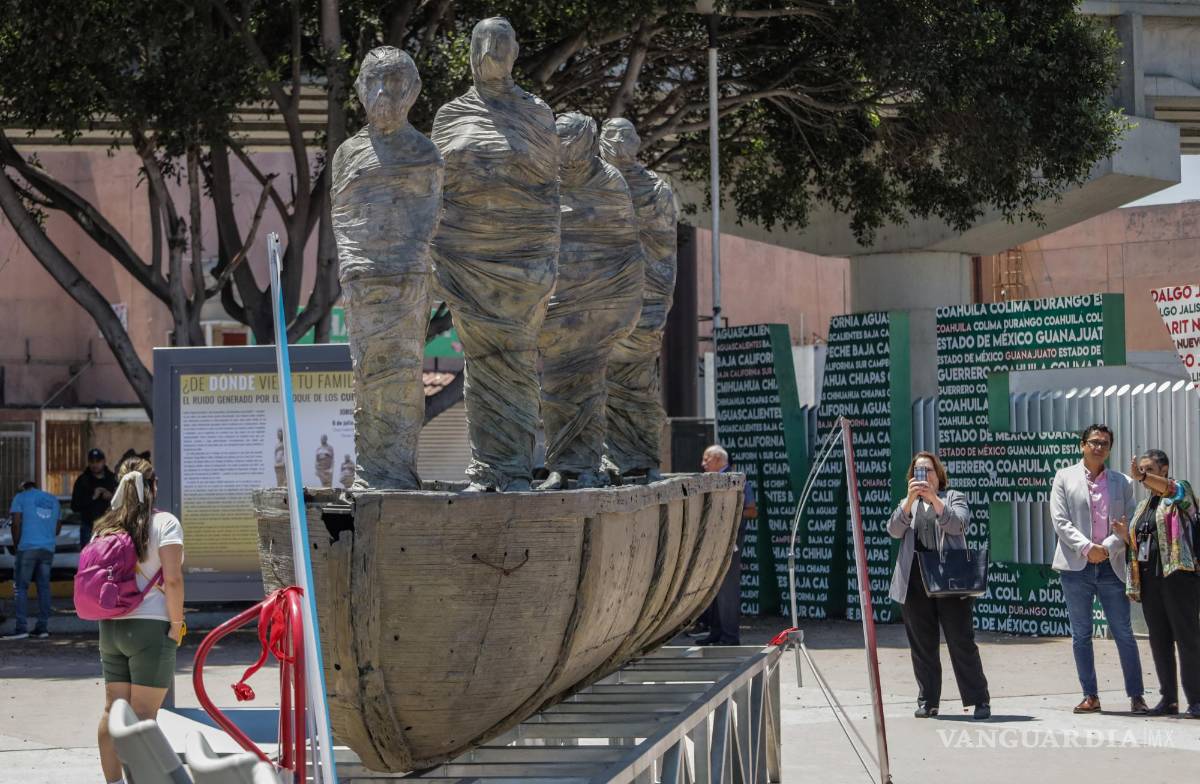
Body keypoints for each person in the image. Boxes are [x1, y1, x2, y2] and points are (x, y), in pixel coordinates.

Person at [93, 457, 185, 784]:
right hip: (150, 628)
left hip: (111, 626)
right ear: (154, 486)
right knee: (145, 717)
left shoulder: (105, 526)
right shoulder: (165, 524)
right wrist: (176, 625)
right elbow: (172, 580)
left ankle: (114, 782)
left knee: (113, 710)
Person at [1049, 424, 1146, 714]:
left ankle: (1137, 696)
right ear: (1082, 445)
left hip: (1111, 565)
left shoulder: (1122, 482)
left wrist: (1106, 547)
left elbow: (1130, 521)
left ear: (1110, 448)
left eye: (1104, 443)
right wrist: (1086, 548)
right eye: (1093, 442)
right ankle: (1090, 695)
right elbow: (1060, 520)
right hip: (1076, 567)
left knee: (1123, 633)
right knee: (1081, 634)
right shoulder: (1064, 477)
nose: (1099, 447)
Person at [888, 451, 991, 720]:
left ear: (939, 474)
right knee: (922, 644)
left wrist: (933, 499)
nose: (924, 476)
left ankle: (979, 699)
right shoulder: (906, 503)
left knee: (961, 640)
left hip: (950, 578)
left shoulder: (953, 497)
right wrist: (910, 501)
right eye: (919, 471)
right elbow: (894, 531)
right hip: (914, 579)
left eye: (929, 470)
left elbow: (957, 525)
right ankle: (928, 700)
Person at [1112, 449, 1200, 718]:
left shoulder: (1180, 492)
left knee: (1188, 640)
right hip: (1150, 581)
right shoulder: (1143, 506)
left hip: (1178, 577)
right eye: (1141, 470)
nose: (1143, 475)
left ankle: (1196, 699)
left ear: (1164, 470)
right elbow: (1143, 544)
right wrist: (1126, 536)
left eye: (1149, 470)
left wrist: (1142, 477)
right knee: (1159, 641)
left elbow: (1173, 490)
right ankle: (1168, 699)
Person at [697, 445, 757, 646]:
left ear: (718, 460)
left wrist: (726, 516)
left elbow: (751, 511)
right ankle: (716, 633)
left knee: (727, 591)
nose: (703, 464)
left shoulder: (736, 480)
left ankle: (730, 637)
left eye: (707, 459)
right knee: (712, 589)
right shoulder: (709, 481)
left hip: (730, 543)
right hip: (712, 542)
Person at [3, 481, 60, 640]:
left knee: (21, 587)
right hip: (47, 549)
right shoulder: (52, 500)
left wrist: (17, 546)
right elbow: (57, 528)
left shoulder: (20, 497)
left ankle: (21, 627)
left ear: (23, 488)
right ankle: (42, 628)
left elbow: (16, 524)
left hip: (27, 547)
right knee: (44, 587)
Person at [71, 448, 117, 546]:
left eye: (98, 461)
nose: (95, 465)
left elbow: (123, 501)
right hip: (88, 526)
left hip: (108, 527)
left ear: (104, 461)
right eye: (92, 462)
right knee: (89, 559)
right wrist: (92, 497)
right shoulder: (82, 480)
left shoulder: (112, 479)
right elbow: (75, 506)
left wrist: (111, 497)